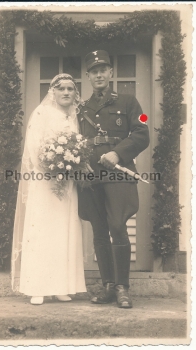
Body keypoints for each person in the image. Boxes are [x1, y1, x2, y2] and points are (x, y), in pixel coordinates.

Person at [77, 50, 150, 308]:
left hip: (117, 173)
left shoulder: (130, 102)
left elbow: (142, 132)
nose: (98, 75)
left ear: (110, 73)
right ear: (88, 76)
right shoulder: (81, 108)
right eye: (93, 71)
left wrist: (117, 153)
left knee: (118, 226)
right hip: (91, 176)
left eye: (103, 70)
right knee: (99, 231)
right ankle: (108, 285)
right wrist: (80, 161)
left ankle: (122, 288)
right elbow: (75, 140)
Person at [11, 73, 87, 305]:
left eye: (70, 89)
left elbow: (79, 148)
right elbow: (34, 148)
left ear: (75, 94)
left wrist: (70, 167)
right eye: (61, 88)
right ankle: (38, 287)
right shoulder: (42, 113)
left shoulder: (75, 116)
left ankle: (61, 286)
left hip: (67, 182)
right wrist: (51, 168)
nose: (66, 92)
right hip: (44, 182)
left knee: (64, 230)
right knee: (42, 231)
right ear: (52, 92)